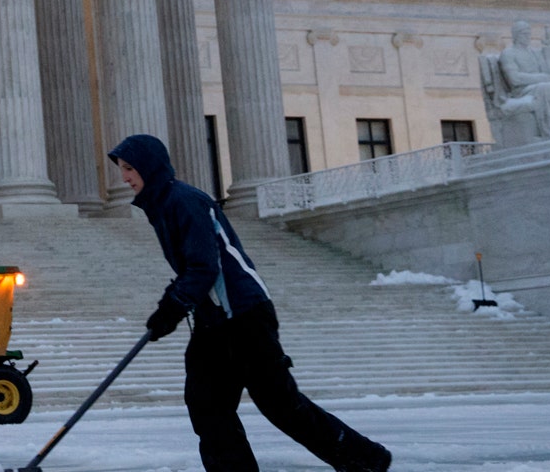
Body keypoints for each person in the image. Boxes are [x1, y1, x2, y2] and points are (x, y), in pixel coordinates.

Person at [109, 134, 391, 472]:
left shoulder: (183, 201)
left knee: (279, 404)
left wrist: (173, 306)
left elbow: (205, 265)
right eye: (123, 170)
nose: (124, 177)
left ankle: (364, 458)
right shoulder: (163, 204)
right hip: (215, 320)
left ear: (149, 167)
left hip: (244, 315)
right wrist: (174, 304)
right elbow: (194, 268)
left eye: (129, 168)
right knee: (207, 404)